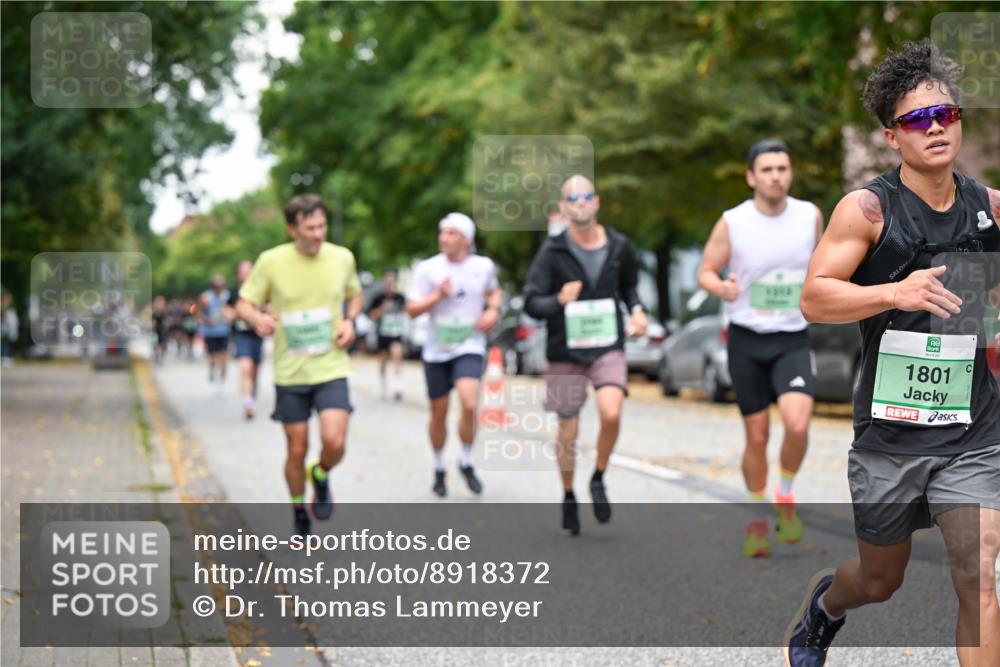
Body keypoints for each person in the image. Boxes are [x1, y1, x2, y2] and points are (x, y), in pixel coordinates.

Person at [784, 40, 1000, 667]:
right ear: (890, 136)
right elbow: (815, 299)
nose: (935, 127)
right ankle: (827, 605)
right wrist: (894, 291)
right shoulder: (869, 209)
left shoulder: (987, 208)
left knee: (978, 577)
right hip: (890, 435)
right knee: (880, 580)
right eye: (916, 119)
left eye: (946, 115)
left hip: (972, 429)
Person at [697, 139, 825, 557]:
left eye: (782, 168)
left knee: (799, 423)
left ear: (791, 173)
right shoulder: (733, 222)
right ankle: (756, 517)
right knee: (756, 436)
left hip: (792, 337)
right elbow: (705, 272)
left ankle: (784, 493)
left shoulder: (809, 216)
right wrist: (721, 286)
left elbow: (827, 265)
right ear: (752, 176)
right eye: (767, 169)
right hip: (747, 338)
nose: (776, 176)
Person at [523, 175, 648, 535]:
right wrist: (558, 300)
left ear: (597, 202)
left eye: (585, 196)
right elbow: (532, 302)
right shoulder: (552, 252)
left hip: (607, 344)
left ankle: (598, 477)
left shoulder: (619, 246)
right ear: (562, 208)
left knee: (611, 411)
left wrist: (638, 312)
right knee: (568, 427)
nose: (579, 202)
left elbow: (629, 289)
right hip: (566, 350)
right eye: (571, 198)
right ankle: (568, 495)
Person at [236, 194, 363, 537]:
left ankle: (320, 474)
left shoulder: (342, 258)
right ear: (292, 229)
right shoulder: (271, 261)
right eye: (310, 228)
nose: (318, 234)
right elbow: (244, 303)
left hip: (331, 365)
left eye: (322, 226)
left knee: (335, 442)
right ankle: (298, 511)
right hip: (290, 371)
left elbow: (355, 294)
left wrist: (350, 321)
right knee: (296, 447)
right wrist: (257, 319)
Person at [406, 213, 501, 498]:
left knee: (469, 404)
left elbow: (494, 292)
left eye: (451, 233)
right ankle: (438, 466)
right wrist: (437, 296)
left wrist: (492, 310)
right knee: (439, 413)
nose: (444, 238)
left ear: (466, 239)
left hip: (469, 345)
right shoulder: (428, 269)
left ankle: (466, 459)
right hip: (437, 350)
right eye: (442, 233)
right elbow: (411, 309)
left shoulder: (482, 266)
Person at [226, 260, 264, 419]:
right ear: (239, 274)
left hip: (257, 335)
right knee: (245, 367)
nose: (247, 274)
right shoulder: (235, 293)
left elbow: (270, 308)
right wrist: (239, 312)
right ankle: (247, 404)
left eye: (249, 270)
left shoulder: (261, 290)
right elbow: (227, 313)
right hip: (241, 335)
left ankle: (251, 391)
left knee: (254, 370)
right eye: (243, 271)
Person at [367, 269, 407, 401]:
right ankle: (383, 385)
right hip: (383, 333)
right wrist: (382, 309)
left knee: (397, 356)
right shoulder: (378, 298)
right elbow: (371, 314)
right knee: (383, 360)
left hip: (396, 333)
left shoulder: (400, 297)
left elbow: (407, 312)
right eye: (388, 279)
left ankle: (397, 387)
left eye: (392, 279)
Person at [199, 275, 231, 388]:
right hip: (211, 332)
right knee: (212, 357)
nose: (219, 288)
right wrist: (207, 320)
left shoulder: (227, 295)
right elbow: (198, 312)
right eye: (217, 286)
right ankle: (212, 370)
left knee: (224, 357)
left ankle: (222, 382)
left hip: (224, 331)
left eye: (221, 285)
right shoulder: (206, 297)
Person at [1, 290, 18, 368]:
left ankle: (6, 357)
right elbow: (4, 317)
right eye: (8, 298)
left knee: (8, 342)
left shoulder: (9, 306)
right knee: (4, 342)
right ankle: (4, 357)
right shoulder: (3, 306)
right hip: (3, 327)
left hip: (9, 328)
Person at [151, 295, 168, 365]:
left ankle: (158, 357)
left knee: (160, 343)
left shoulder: (162, 311)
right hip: (157, 329)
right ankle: (157, 357)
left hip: (161, 329)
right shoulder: (155, 311)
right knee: (156, 343)